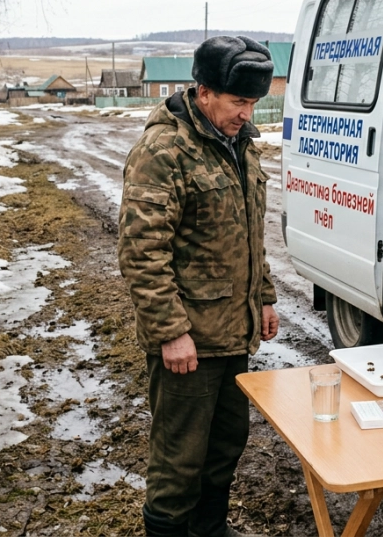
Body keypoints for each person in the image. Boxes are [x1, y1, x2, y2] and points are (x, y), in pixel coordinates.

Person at [119, 35, 280, 537]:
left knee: (225, 446)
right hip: (189, 337)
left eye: (253, 102)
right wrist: (170, 331)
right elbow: (142, 251)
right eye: (238, 102)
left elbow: (250, 234)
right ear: (203, 91)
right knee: (178, 460)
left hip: (234, 331)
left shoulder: (240, 145)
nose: (247, 113)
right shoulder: (164, 151)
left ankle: (210, 530)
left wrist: (266, 297)